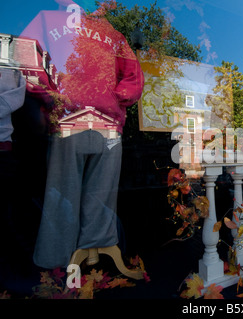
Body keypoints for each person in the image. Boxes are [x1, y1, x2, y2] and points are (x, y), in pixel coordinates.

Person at [20, 0, 144, 269]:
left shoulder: (111, 32)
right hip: (66, 123)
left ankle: (93, 262)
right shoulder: (46, 18)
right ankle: (55, 263)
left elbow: (133, 75)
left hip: (109, 126)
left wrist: (116, 97)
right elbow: (25, 54)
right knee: (61, 196)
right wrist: (54, 98)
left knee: (102, 199)